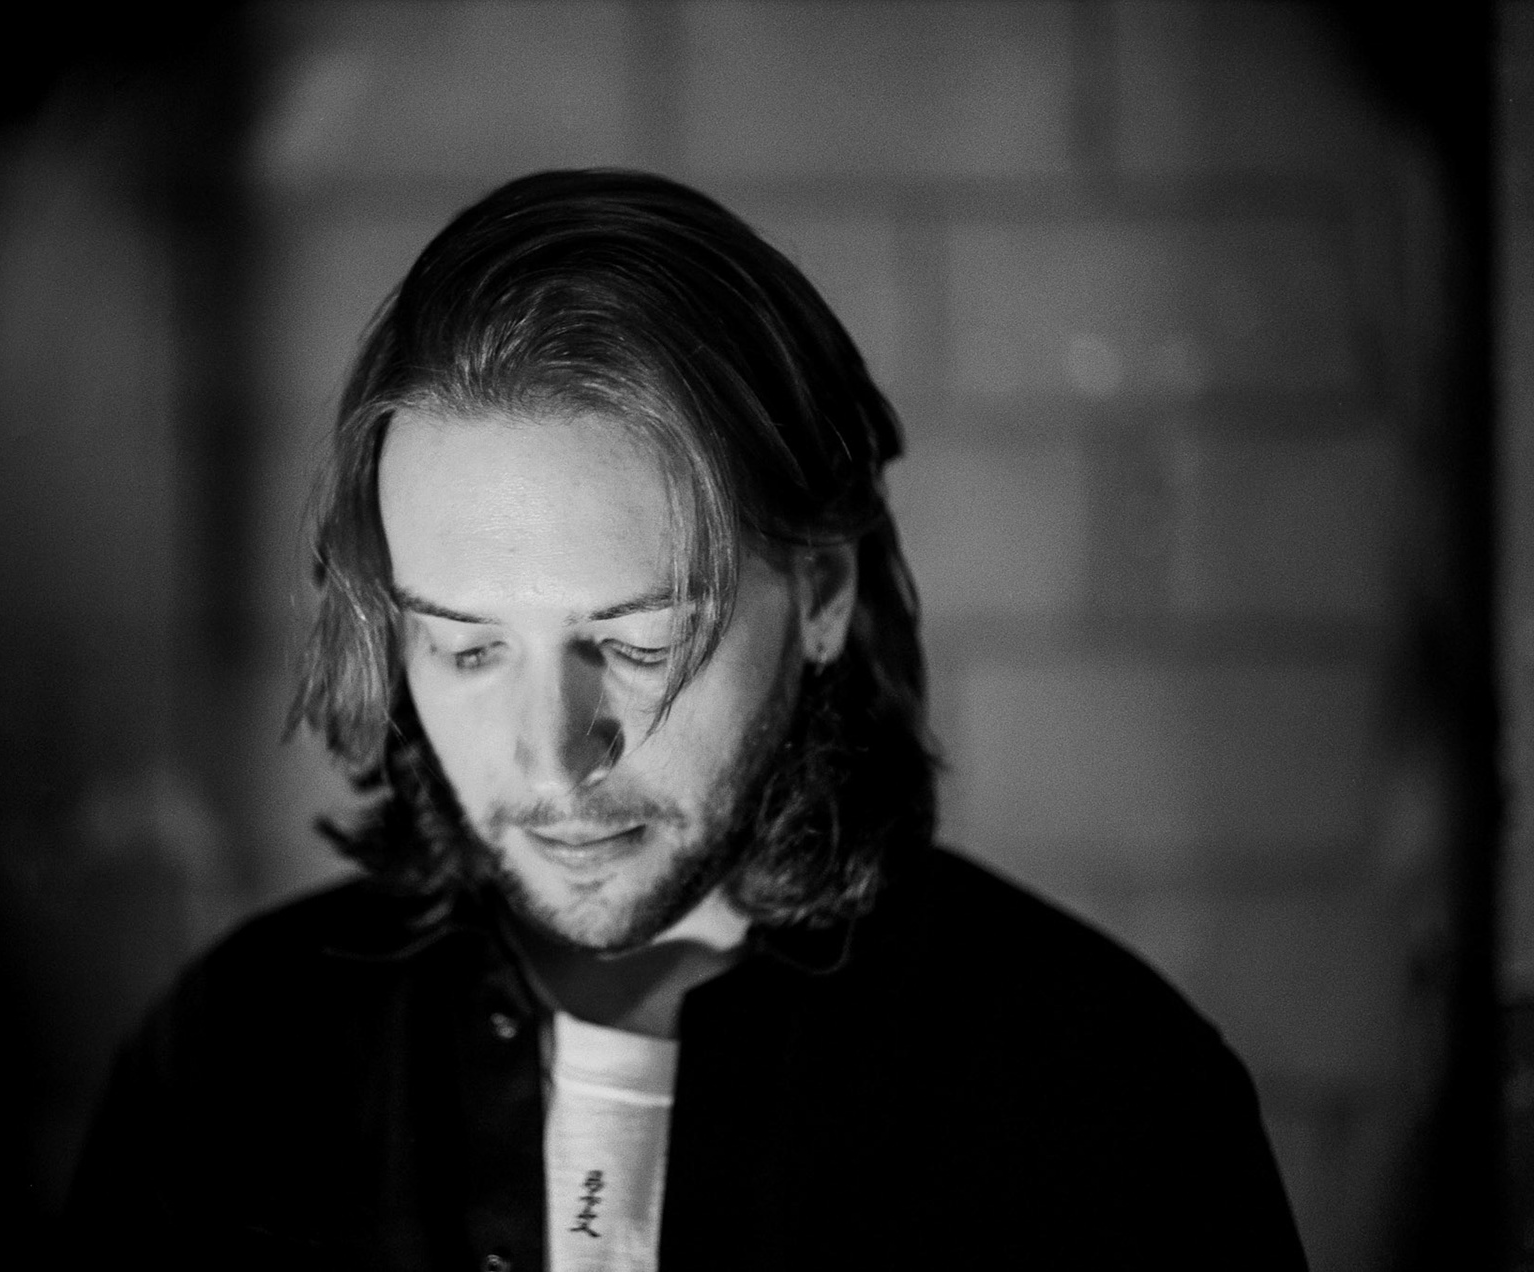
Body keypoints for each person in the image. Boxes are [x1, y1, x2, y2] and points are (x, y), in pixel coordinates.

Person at [68, 169, 1307, 1270]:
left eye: (636, 644)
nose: (550, 753)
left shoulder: (1101, 1095)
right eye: (466, 648)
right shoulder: (231, 1067)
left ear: (821, 594)